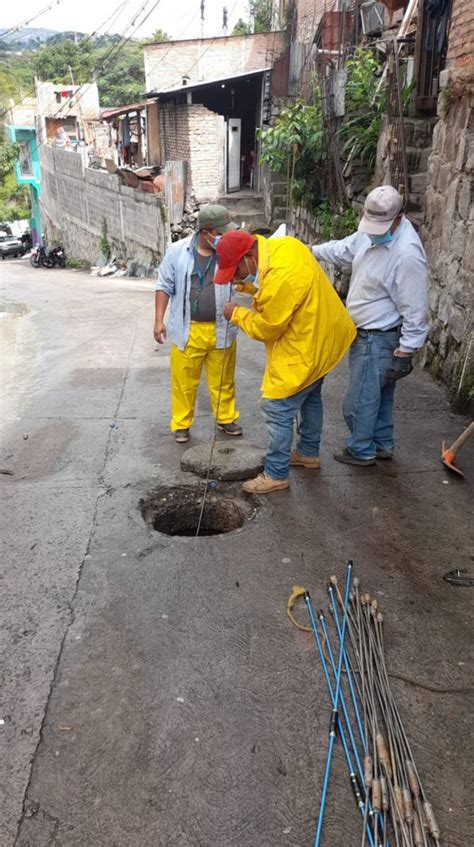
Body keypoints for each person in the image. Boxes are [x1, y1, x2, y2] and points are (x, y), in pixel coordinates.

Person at [216, 230, 356, 494]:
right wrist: (247, 286)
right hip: (326, 335)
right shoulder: (285, 246)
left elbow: (268, 328)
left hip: (307, 344)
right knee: (311, 395)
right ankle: (308, 453)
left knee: (276, 406)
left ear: (249, 256)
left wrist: (237, 314)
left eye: (236, 271)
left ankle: (276, 473)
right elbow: (273, 289)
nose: (235, 277)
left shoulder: (281, 277)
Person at [312, 185, 429, 466]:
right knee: (379, 399)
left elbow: (415, 306)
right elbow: (345, 248)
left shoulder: (407, 253)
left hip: (378, 338)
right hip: (370, 335)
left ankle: (361, 449)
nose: (374, 232)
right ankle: (381, 444)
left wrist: (407, 350)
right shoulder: (370, 235)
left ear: (399, 218)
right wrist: (310, 251)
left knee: (357, 404)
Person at [154, 204, 242, 443]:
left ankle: (225, 418)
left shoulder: (229, 251)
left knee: (223, 379)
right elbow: (164, 285)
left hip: (221, 328)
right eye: (221, 232)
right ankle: (181, 423)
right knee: (184, 381)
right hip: (188, 329)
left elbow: (245, 276)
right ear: (206, 232)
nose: (225, 237)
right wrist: (158, 320)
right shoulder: (177, 251)